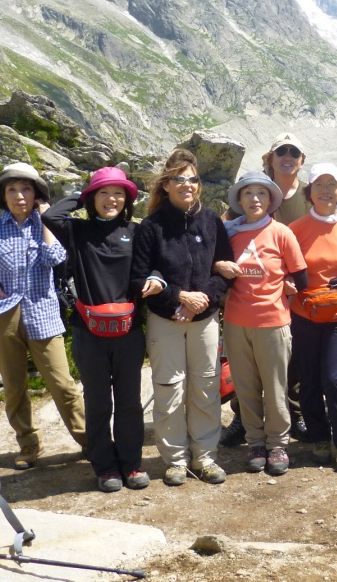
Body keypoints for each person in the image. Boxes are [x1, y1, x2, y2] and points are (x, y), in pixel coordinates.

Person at [0, 163, 86, 469]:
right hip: (3, 315)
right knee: (14, 385)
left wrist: (47, 221)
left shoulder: (50, 225)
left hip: (44, 313)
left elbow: (56, 258)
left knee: (63, 384)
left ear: (36, 194)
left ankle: (89, 441)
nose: (19, 195)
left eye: (26, 188)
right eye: (12, 189)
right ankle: (28, 444)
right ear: (3, 195)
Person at [43, 167, 157, 492]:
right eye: (104, 193)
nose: (112, 199)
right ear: (92, 198)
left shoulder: (136, 232)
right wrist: (84, 193)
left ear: (128, 200)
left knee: (129, 400)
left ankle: (131, 464)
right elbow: (51, 215)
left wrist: (156, 279)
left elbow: (152, 265)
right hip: (87, 330)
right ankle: (105, 467)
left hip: (128, 330)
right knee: (97, 401)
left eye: (119, 193)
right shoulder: (77, 230)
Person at [130, 149, 234, 487]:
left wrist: (199, 301)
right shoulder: (151, 226)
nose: (187, 185)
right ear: (166, 185)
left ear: (199, 185)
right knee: (169, 388)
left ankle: (204, 457)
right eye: (179, 179)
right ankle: (175, 460)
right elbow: (139, 277)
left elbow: (224, 269)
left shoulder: (211, 221)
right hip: (166, 319)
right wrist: (179, 297)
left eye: (192, 179)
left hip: (204, 318)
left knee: (205, 386)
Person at [217, 171, 308, 476]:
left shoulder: (281, 232)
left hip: (273, 321)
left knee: (276, 386)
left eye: (261, 194)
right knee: (245, 386)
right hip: (236, 321)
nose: (254, 199)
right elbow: (214, 270)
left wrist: (287, 285)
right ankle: (255, 442)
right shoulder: (227, 233)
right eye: (248, 194)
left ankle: (278, 443)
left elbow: (301, 275)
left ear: (270, 200)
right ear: (239, 200)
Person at [288, 163, 337, 473]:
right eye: (319, 185)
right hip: (303, 316)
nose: (325, 191)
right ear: (309, 193)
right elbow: (287, 272)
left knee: (335, 379)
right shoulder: (295, 229)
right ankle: (319, 437)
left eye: (331, 185)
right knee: (307, 380)